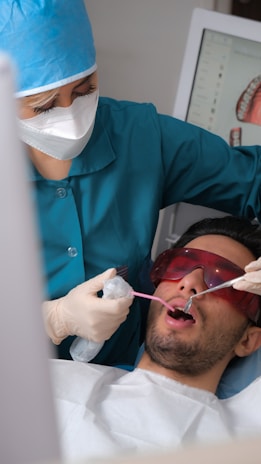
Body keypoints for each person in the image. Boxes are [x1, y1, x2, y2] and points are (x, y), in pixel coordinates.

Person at [1, 1, 261, 366]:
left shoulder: (139, 136)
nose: (72, 117)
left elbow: (253, 178)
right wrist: (52, 320)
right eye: (44, 107)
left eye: (84, 90)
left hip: (122, 376)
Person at [51, 216, 261, 461]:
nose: (189, 283)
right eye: (180, 265)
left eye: (223, 280)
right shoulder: (54, 383)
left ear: (248, 341)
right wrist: (51, 319)